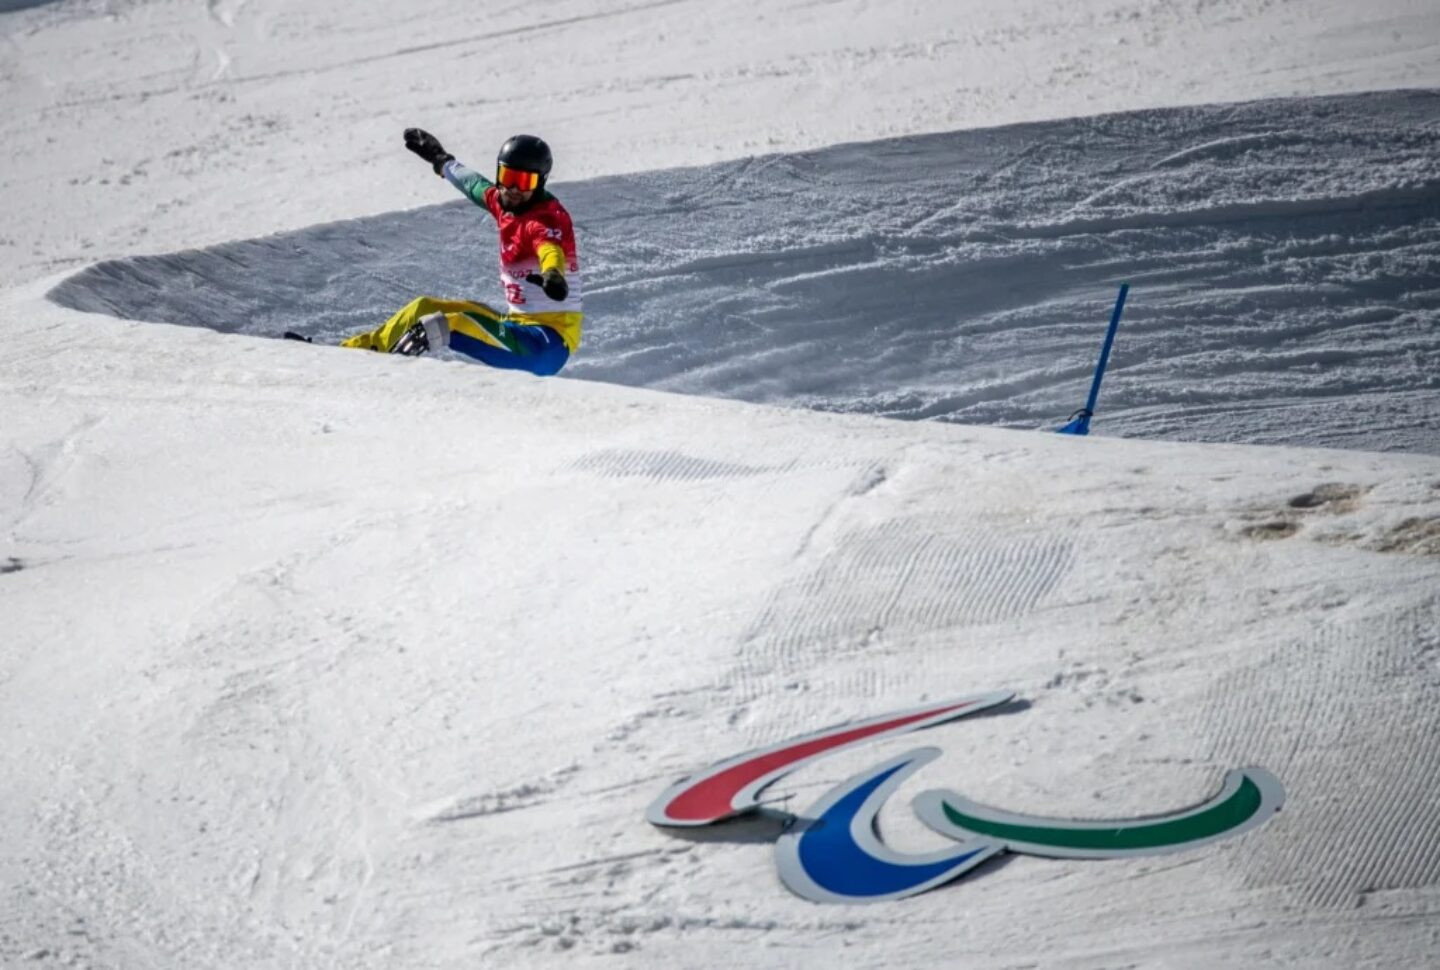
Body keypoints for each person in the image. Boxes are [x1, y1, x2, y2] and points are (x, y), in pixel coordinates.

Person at [340, 129, 583, 375]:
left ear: (540, 182)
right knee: (423, 308)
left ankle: (376, 377)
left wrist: (552, 272)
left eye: (523, 182)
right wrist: (441, 159)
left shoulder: (545, 219)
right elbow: (473, 184)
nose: (513, 189)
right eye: (508, 176)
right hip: (512, 328)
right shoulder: (505, 203)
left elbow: (549, 248)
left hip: (545, 345)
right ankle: (348, 355)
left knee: (446, 325)